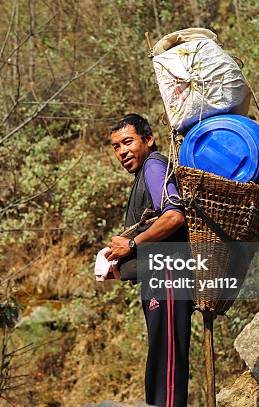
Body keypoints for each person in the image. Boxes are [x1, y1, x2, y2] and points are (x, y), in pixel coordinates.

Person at [104, 113, 193, 407]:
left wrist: (132, 244)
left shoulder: (154, 167)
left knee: (166, 360)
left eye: (127, 142)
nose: (122, 152)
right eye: (116, 147)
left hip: (169, 274)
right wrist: (121, 265)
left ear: (149, 139)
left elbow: (173, 216)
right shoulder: (144, 175)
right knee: (161, 355)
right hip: (159, 276)